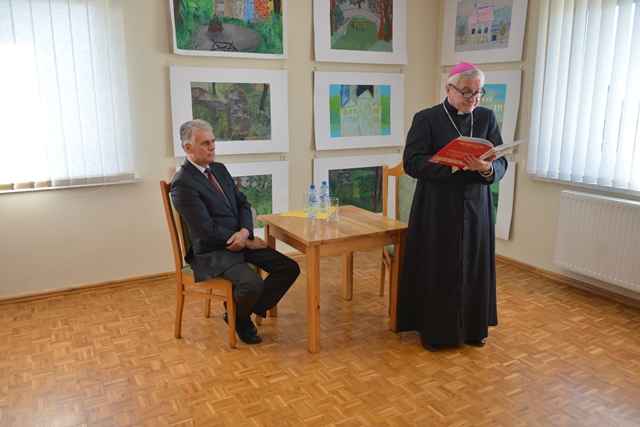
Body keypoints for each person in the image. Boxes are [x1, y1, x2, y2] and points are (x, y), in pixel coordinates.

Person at [396, 62, 507, 352]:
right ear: (449, 89)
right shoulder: (427, 118)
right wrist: (453, 165)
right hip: (437, 206)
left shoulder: (486, 117)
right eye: (467, 92)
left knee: (474, 265)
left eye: (478, 92)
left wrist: (487, 168)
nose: (473, 99)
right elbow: (411, 163)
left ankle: (473, 327)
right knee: (438, 266)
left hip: (477, 206)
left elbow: (501, 162)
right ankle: (434, 330)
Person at [171, 119, 300, 345]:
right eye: (205, 143)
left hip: (238, 239)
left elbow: (242, 202)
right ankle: (241, 315)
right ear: (188, 147)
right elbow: (206, 231)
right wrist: (246, 241)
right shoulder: (183, 184)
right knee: (253, 284)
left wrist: (244, 231)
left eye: (213, 141)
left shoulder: (218, 169)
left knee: (289, 268)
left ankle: (238, 312)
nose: (212, 147)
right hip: (213, 250)